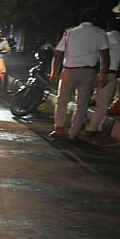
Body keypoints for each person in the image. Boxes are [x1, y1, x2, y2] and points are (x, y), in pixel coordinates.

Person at [49, 7, 110, 140]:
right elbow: (105, 56)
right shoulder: (99, 32)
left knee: (62, 100)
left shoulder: (70, 32)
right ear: (94, 20)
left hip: (69, 71)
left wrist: (54, 71)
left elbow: (58, 53)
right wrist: (103, 74)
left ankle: (58, 128)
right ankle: (73, 133)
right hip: (88, 72)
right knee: (82, 104)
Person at [83, 17, 119, 136]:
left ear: (108, 25)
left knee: (83, 99)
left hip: (95, 71)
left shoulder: (102, 36)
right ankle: (94, 127)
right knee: (103, 103)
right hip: (111, 73)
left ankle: (88, 126)